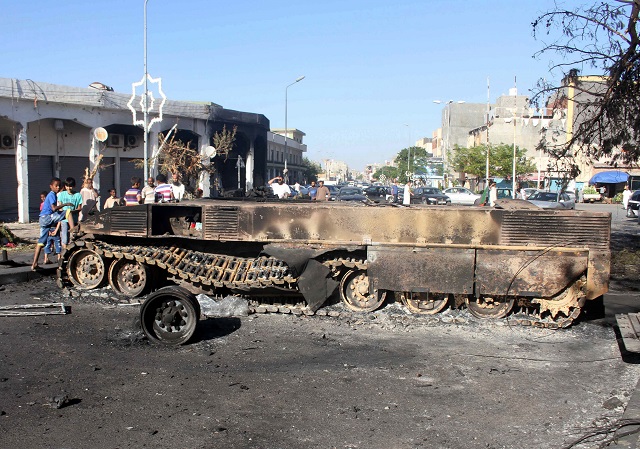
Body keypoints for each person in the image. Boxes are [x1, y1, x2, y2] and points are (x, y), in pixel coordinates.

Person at [32, 178, 72, 270]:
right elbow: (54, 208)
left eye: (59, 186)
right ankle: (74, 230)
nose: (58, 188)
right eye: (56, 186)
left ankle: (34, 264)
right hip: (47, 217)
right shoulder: (52, 195)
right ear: (51, 186)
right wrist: (65, 204)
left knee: (41, 242)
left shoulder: (52, 195)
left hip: (42, 219)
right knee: (68, 212)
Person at [57, 177, 82, 249]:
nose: (69, 188)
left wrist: (72, 212)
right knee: (65, 236)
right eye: (67, 186)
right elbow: (60, 206)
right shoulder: (61, 195)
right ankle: (64, 250)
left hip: (74, 219)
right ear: (65, 186)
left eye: (70, 186)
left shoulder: (78, 195)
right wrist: (66, 212)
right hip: (64, 219)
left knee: (74, 236)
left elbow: (79, 208)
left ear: (73, 186)